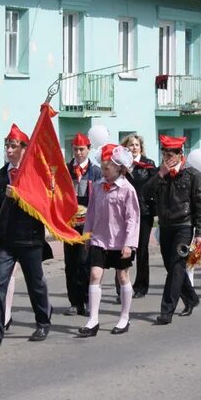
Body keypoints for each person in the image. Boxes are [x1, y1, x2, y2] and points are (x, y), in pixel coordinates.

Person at [0, 124, 52, 348]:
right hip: (7, 242)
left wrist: (20, 195)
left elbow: (43, 204)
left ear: (24, 149)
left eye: (13, 146)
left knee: (35, 284)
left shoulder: (34, 175)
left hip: (30, 240)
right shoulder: (2, 176)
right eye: (6, 146)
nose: (9, 150)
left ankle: (43, 322)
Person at [142, 135, 201, 325]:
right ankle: (191, 298)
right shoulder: (160, 173)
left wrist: (200, 234)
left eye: (172, 154)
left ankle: (166, 310)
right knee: (171, 266)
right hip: (166, 226)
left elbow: (200, 206)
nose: (168, 158)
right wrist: (159, 175)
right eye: (165, 153)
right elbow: (145, 194)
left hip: (184, 225)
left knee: (177, 266)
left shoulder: (192, 174)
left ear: (180, 154)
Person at [78, 144, 140, 337]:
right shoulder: (98, 187)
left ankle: (124, 317)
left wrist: (129, 244)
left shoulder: (127, 189)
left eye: (107, 168)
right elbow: (91, 212)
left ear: (118, 167)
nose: (103, 171)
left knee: (122, 277)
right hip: (100, 239)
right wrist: (87, 234)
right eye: (103, 167)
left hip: (121, 241)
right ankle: (93, 320)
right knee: (95, 275)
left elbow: (133, 218)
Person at [63, 133, 101, 316]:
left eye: (82, 149)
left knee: (85, 262)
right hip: (69, 224)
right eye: (76, 149)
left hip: (88, 224)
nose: (78, 153)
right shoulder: (65, 170)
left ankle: (86, 300)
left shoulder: (96, 172)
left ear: (88, 149)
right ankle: (74, 301)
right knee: (70, 263)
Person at [122, 134, 157, 298]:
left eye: (136, 144)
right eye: (131, 145)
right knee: (124, 249)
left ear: (140, 147)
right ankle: (124, 286)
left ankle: (141, 286)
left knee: (142, 250)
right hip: (125, 213)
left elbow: (155, 187)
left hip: (144, 212)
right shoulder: (122, 165)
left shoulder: (148, 165)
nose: (134, 147)